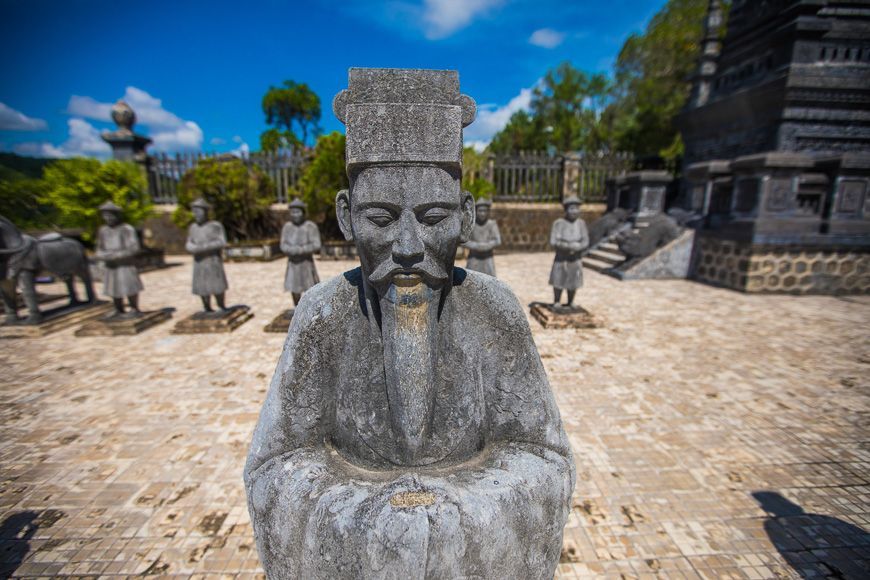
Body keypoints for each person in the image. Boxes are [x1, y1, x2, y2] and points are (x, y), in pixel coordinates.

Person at [244, 68, 575, 580]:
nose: (407, 247)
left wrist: (463, 509)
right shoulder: (321, 314)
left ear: (465, 215)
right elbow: (277, 463)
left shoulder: (495, 310)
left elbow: (541, 453)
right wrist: (361, 512)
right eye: (379, 219)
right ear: (346, 215)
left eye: (434, 217)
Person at [95, 201, 143, 317]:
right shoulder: (103, 231)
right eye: (105, 215)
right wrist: (103, 255)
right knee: (113, 286)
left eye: (111, 215)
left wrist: (117, 255)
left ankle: (134, 308)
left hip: (125, 264)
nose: (108, 218)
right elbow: (99, 248)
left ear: (117, 215)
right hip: (111, 265)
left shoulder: (127, 229)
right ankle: (118, 308)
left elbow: (134, 248)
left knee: (129, 285)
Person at [185, 198, 228, 312]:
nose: (196, 214)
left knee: (217, 285)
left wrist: (202, 248)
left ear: (206, 211)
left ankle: (221, 305)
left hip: (212, 261)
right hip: (199, 262)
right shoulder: (193, 227)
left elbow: (221, 242)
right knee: (202, 286)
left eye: (198, 211)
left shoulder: (215, 226)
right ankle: (207, 307)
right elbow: (189, 242)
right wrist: (191, 247)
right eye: (194, 211)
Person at [279, 198, 321, 307]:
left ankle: (310, 310)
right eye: (293, 212)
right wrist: (292, 250)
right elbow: (283, 245)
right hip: (293, 263)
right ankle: (296, 308)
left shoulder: (310, 226)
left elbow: (316, 244)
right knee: (294, 288)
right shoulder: (287, 227)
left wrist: (300, 250)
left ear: (303, 213)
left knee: (310, 289)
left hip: (306, 263)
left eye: (298, 212)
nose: (295, 215)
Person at [549, 196, 589, 307]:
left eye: (576, 208)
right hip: (561, 258)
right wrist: (566, 246)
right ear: (566, 210)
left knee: (573, 281)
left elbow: (586, 241)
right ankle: (557, 301)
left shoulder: (581, 224)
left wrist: (578, 247)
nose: (574, 211)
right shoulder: (558, 223)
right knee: (558, 280)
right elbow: (553, 241)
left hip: (575, 258)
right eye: (571, 208)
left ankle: (571, 301)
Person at [463, 198, 501, 276]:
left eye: (485, 211)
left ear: (488, 212)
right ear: (476, 211)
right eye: (480, 211)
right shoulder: (471, 224)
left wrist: (485, 246)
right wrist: (476, 246)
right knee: (471, 280)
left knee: (491, 282)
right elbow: (463, 240)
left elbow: (497, 241)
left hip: (488, 258)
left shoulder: (492, 224)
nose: (482, 213)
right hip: (473, 258)